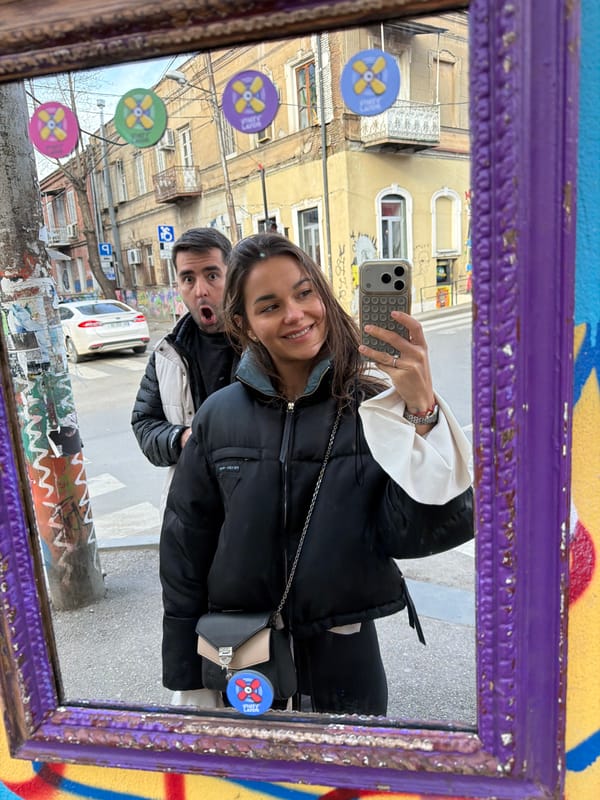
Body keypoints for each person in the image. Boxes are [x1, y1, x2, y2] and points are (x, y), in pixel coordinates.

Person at [160, 233, 474, 716]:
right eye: (270, 306)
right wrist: (186, 673)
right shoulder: (217, 418)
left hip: (345, 654)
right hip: (243, 657)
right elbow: (185, 551)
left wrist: (420, 409)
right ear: (243, 324)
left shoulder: (373, 409)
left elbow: (417, 533)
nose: (295, 314)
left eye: (304, 293)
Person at [131, 227, 236, 514]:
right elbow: (144, 424)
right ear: (178, 285)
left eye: (212, 275)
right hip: (192, 509)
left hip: (255, 508)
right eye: (188, 279)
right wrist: (182, 439)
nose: (200, 290)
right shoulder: (167, 354)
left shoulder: (265, 344)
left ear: (232, 277)